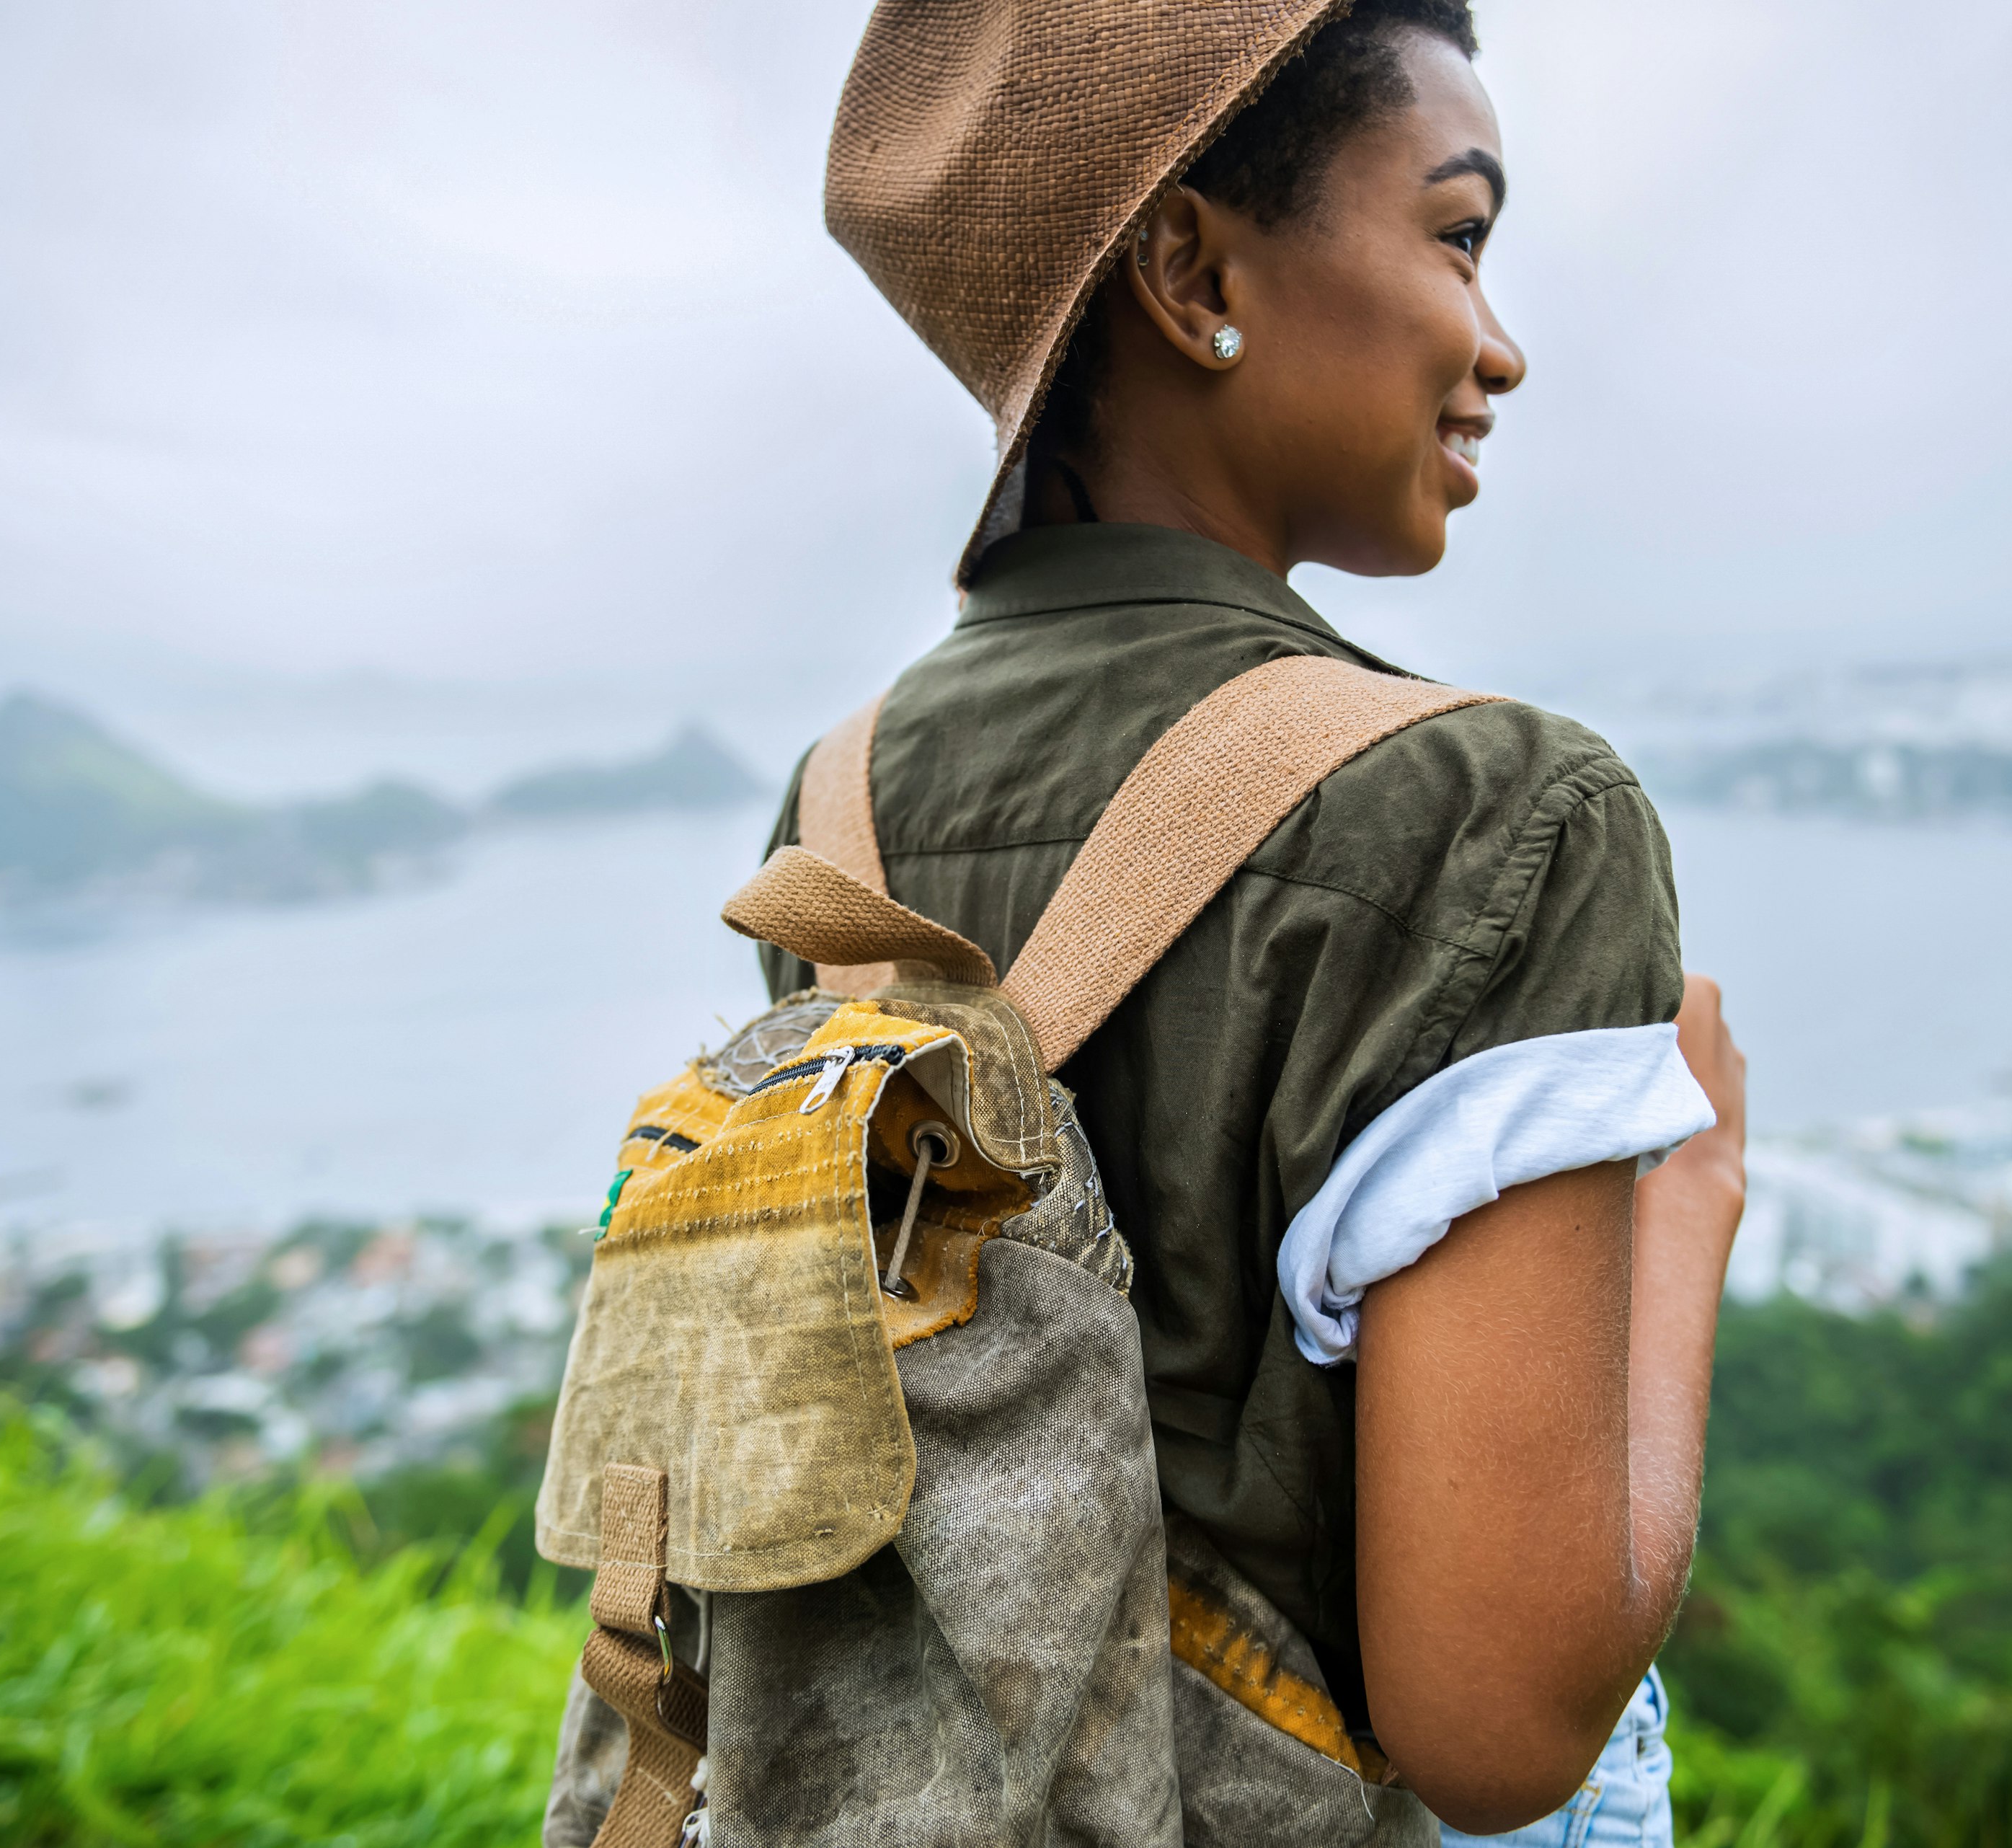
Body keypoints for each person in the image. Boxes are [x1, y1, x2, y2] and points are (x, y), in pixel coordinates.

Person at [775, 0, 1750, 1836]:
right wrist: (1687, 1206)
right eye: (1459, 235)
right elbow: (1498, 1728)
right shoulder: (1498, 813)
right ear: (1188, 265)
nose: (1501, 347)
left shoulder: (844, 807)